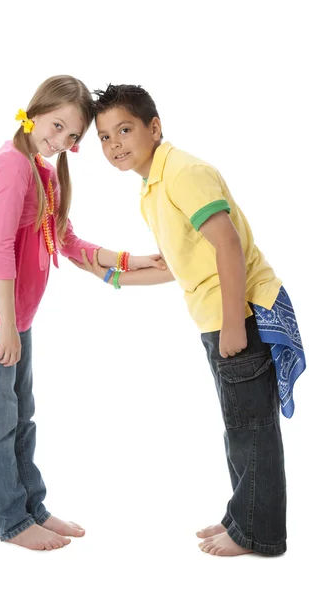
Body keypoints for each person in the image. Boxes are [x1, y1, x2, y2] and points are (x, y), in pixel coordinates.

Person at [71, 83, 306, 557]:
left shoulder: (182, 173)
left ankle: (259, 535)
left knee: (252, 428)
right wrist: (110, 276)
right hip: (219, 316)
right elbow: (178, 265)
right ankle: (242, 518)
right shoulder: (153, 185)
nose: (114, 143)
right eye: (103, 137)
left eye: (124, 129)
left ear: (154, 128)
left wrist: (235, 323)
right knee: (238, 424)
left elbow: (228, 246)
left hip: (239, 312)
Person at [0, 75, 167, 551]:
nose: (61, 142)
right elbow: (1, 247)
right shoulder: (12, 166)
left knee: (22, 416)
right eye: (56, 127)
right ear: (34, 111)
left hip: (16, 317)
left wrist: (129, 259)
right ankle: (13, 522)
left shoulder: (43, 172)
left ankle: (33, 506)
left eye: (72, 136)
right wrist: (8, 326)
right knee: (0, 421)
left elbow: (68, 242)